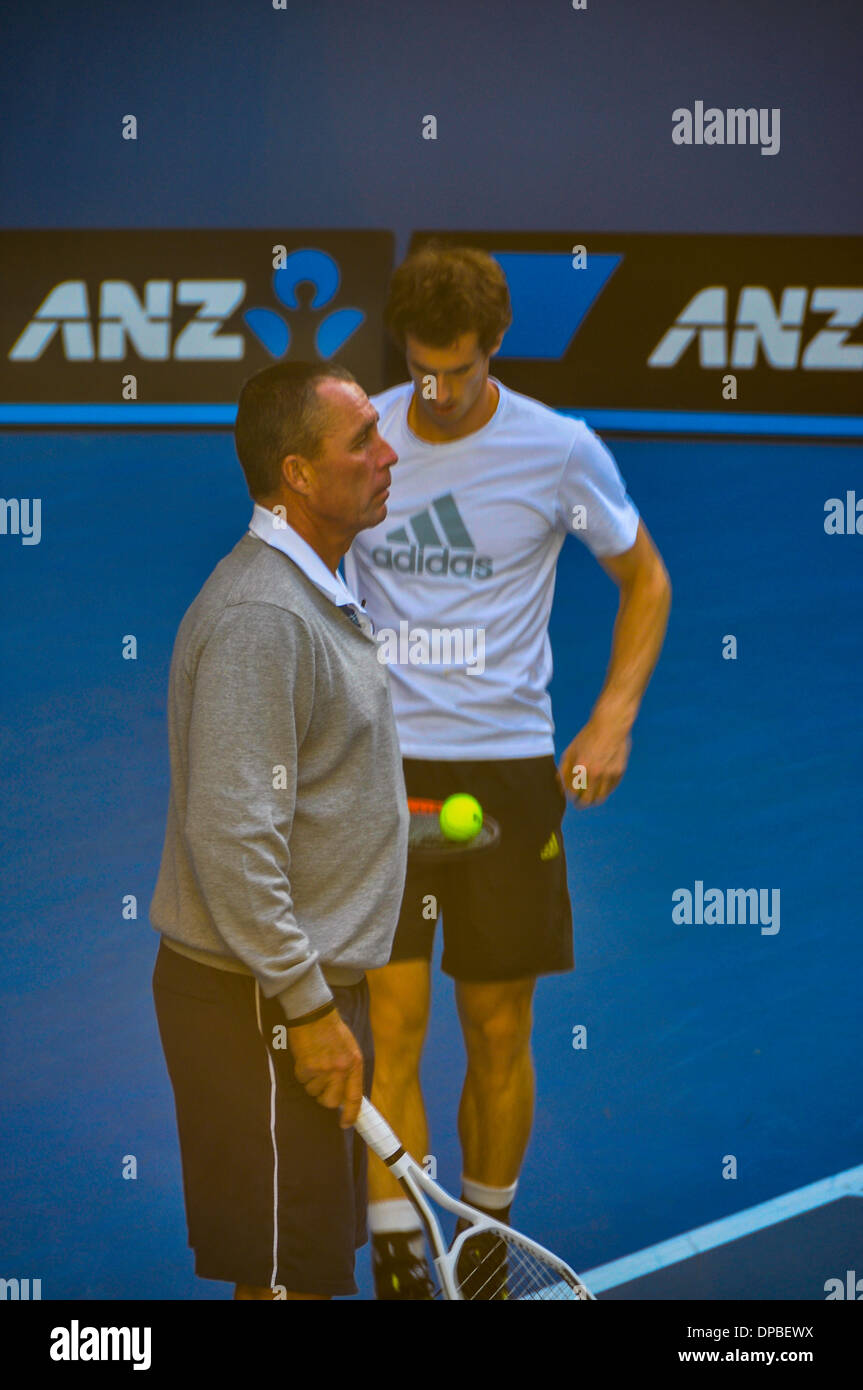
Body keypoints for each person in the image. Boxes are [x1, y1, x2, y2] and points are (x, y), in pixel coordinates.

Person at [344, 242, 672, 1299]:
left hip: (508, 773)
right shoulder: (361, 438)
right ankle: (400, 1248)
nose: (436, 392)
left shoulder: (556, 452)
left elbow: (643, 578)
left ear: (495, 348)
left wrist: (611, 716)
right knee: (386, 1026)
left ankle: (482, 1242)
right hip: (381, 774)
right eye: (420, 368)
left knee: (495, 1028)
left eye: (460, 368)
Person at [150, 361, 407, 1300]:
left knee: (296, 1272)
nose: (387, 457)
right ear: (298, 473)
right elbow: (231, 835)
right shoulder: (265, 615)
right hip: (262, 1005)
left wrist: (388, 836)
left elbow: (295, 791)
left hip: (291, 989)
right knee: (284, 1281)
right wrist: (307, 1010)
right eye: (362, 443)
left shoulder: (308, 588)